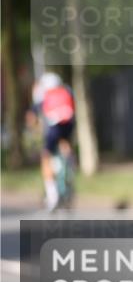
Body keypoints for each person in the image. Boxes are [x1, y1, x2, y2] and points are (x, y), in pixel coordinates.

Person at [31, 71, 76, 211]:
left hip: (53, 128)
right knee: (65, 147)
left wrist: (35, 130)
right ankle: (70, 170)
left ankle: (52, 195)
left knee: (45, 157)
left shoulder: (45, 95)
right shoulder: (67, 92)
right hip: (68, 125)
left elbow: (34, 116)